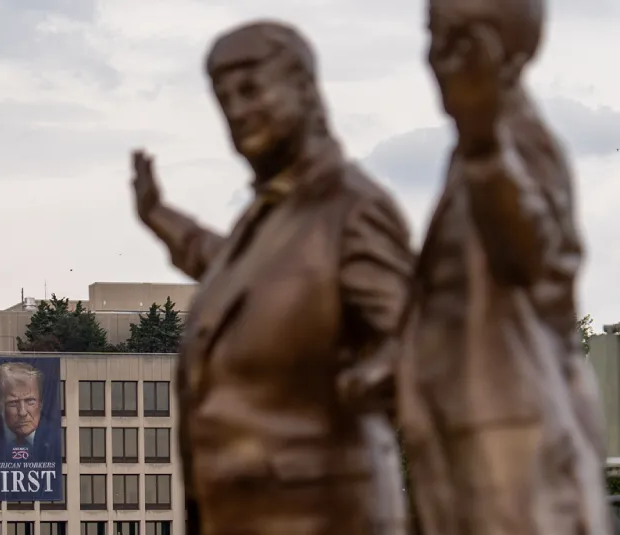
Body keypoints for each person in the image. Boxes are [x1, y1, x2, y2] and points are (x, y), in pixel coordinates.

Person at [132, 20, 413, 535]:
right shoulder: (269, 218)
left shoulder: (350, 210)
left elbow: (418, 343)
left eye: (251, 89)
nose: (237, 111)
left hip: (322, 515)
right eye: (225, 98)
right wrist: (161, 217)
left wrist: (363, 383)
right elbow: (229, 269)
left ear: (304, 89)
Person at [395, 1, 612, 534]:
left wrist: (486, 148)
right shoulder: (473, 153)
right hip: (468, 439)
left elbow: (535, 258)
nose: (440, 57)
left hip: (514, 443)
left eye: (461, 41)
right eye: (435, 37)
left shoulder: (518, 145)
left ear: (510, 51)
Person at [0, 361, 58, 463]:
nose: (22, 412)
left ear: (41, 403)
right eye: (13, 403)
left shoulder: (58, 434)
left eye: (30, 401)